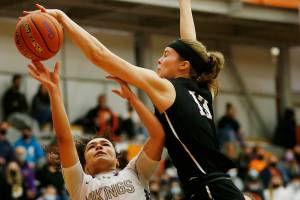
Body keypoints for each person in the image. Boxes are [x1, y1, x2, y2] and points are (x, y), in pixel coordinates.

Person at [25, 0, 245, 199]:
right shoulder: (202, 90)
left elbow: (99, 55)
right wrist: (184, 3)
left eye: (166, 54)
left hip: (208, 189)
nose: (159, 60)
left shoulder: (167, 87)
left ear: (184, 65)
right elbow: (191, 48)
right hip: (217, 186)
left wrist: (63, 19)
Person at [27, 61, 165, 200]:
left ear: (117, 160)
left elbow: (157, 136)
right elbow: (64, 140)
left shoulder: (135, 171)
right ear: (86, 166)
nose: (99, 146)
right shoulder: (80, 184)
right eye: (91, 147)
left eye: (105, 145)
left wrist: (132, 99)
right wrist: (54, 91)